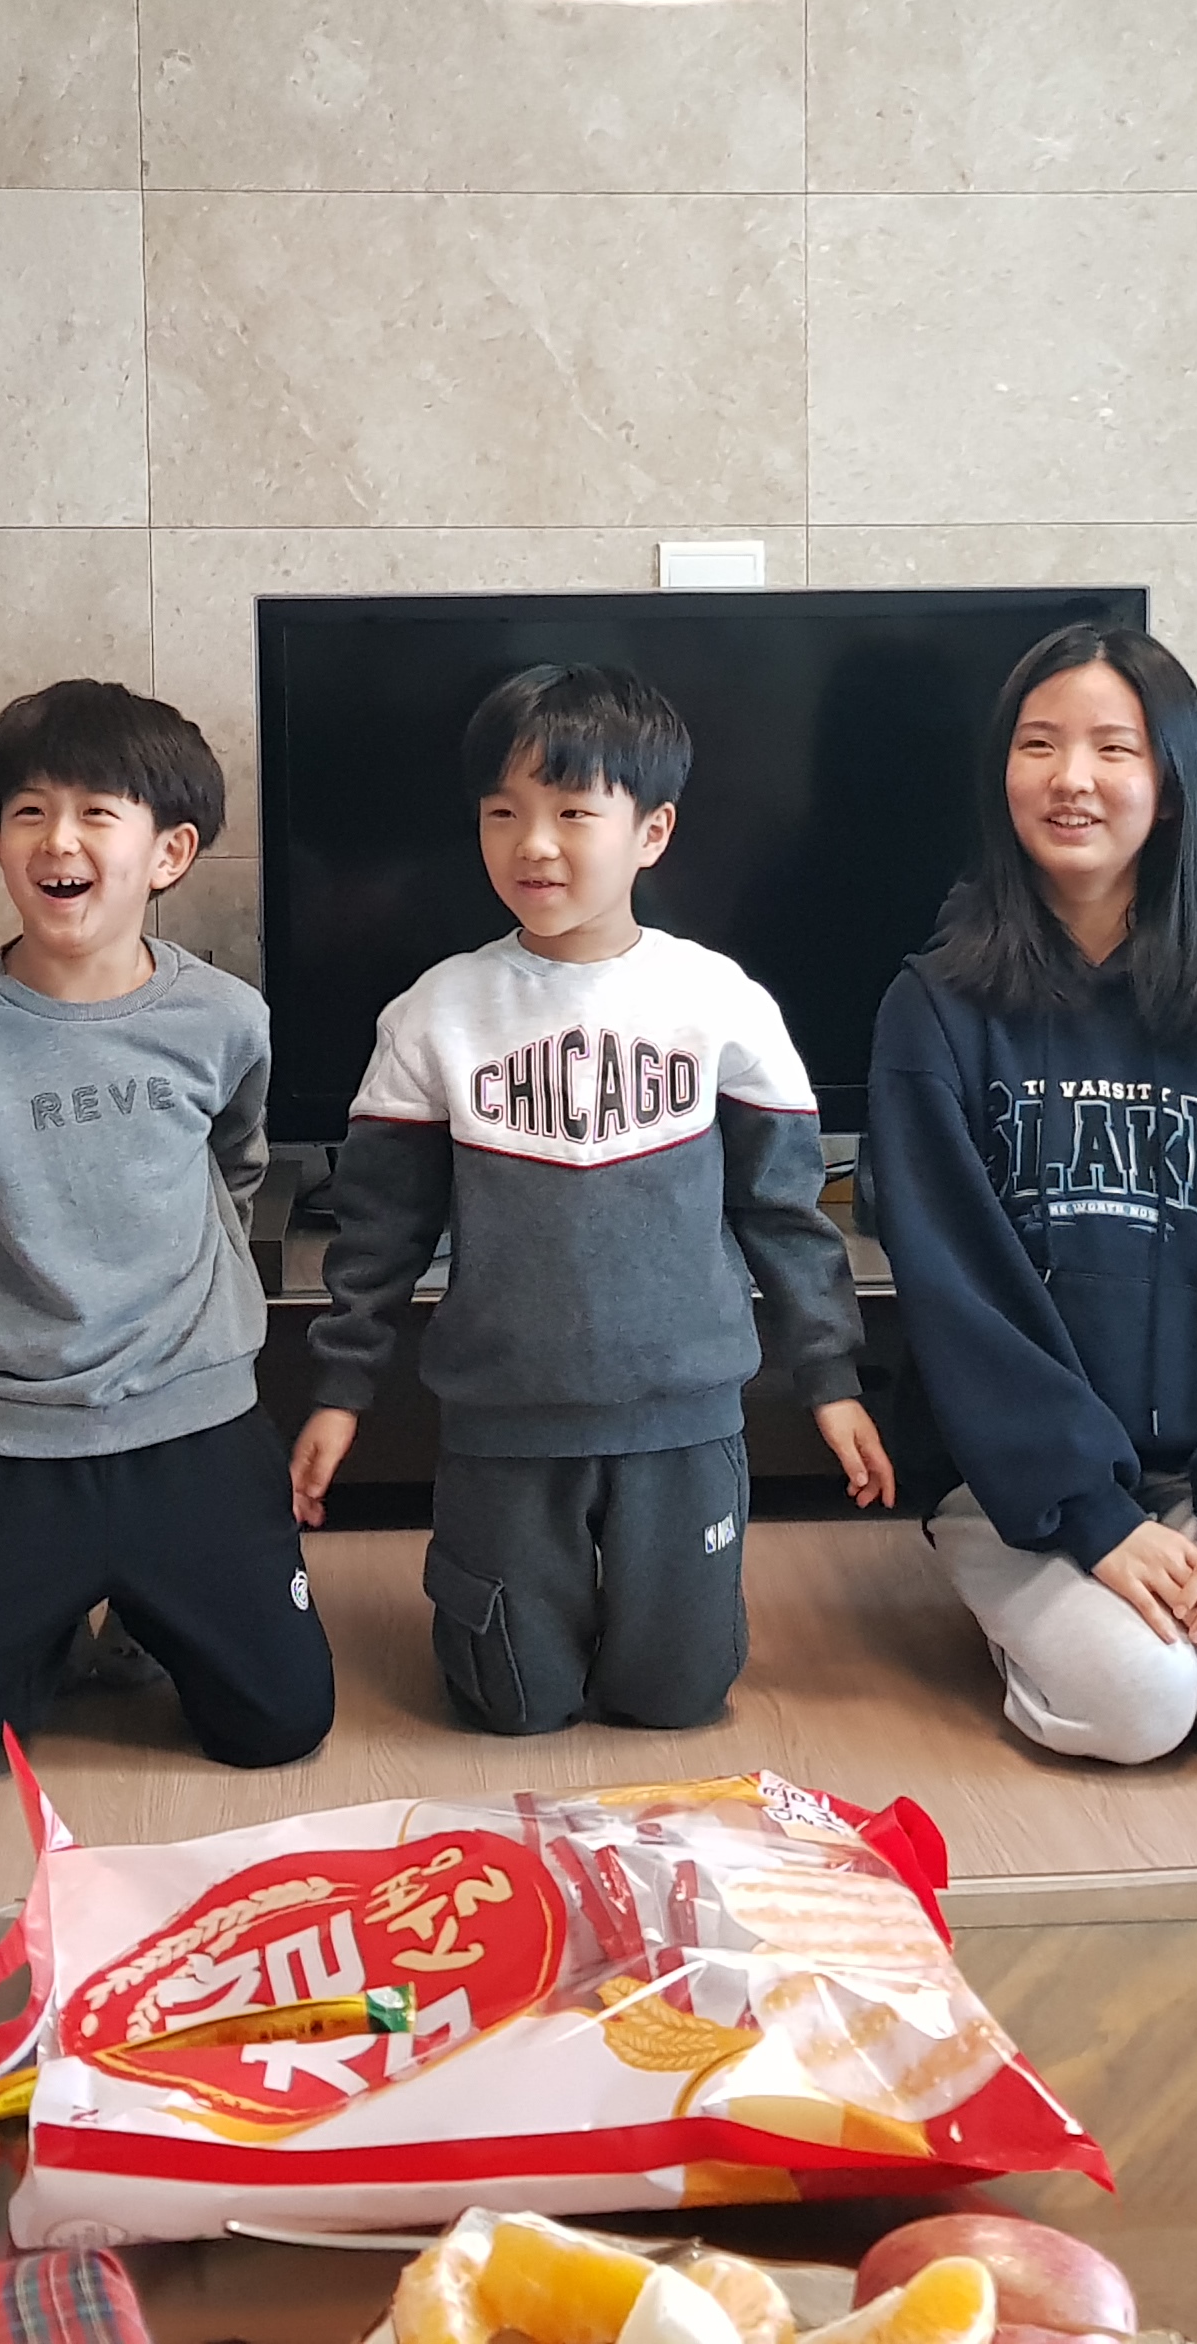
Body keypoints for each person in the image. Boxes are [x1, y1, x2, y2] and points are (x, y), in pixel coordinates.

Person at [291, 664, 893, 1736]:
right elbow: (379, 1233)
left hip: (684, 1417)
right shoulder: (435, 1013)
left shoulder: (720, 1002)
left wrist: (831, 1378)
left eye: (574, 812)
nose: (534, 844)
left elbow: (786, 1216)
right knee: (512, 1705)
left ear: (652, 832)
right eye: (503, 813)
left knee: (676, 1700)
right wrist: (340, 1392)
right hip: (501, 1419)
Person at [869, 623, 1197, 1770]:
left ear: (1172, 781)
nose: (1072, 778)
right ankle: (1048, 1631)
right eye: (1038, 745)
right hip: (1024, 1483)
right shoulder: (934, 1009)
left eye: (1114, 747)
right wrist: (1093, 1519)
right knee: (1134, 1709)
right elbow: (958, 1296)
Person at [0, 680, 331, 1789]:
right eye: (30, 812)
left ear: (169, 852)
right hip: (12, 1443)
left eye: (99, 812)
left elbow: (235, 1167)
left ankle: (146, 1610)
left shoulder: (226, 1018)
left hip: (195, 1423)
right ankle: (47, 1627)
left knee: (279, 1725)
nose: (60, 840)